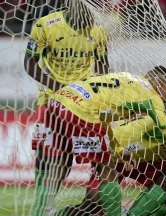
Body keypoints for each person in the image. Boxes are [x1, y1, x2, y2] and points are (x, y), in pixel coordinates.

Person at [23, 65, 166, 216]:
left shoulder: (126, 78)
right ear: (160, 83)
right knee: (108, 171)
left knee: (56, 171)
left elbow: (103, 119)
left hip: (57, 102)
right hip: (82, 111)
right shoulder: (152, 97)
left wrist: (118, 150)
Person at [25, 0, 109, 197]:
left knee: (100, 157)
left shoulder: (98, 31)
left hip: (85, 104)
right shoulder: (45, 25)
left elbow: (103, 66)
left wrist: (99, 91)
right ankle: (43, 201)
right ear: (69, 8)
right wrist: (59, 88)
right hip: (50, 101)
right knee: (46, 154)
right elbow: (29, 63)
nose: (86, 24)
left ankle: (97, 206)